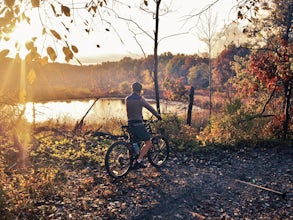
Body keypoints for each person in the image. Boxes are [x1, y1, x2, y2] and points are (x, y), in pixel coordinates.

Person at [125, 82, 162, 169]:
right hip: (138, 124)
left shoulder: (127, 99)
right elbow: (149, 108)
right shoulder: (139, 99)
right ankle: (138, 161)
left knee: (135, 142)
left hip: (130, 123)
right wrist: (158, 116)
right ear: (140, 90)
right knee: (148, 142)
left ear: (132, 89)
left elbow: (133, 111)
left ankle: (133, 159)